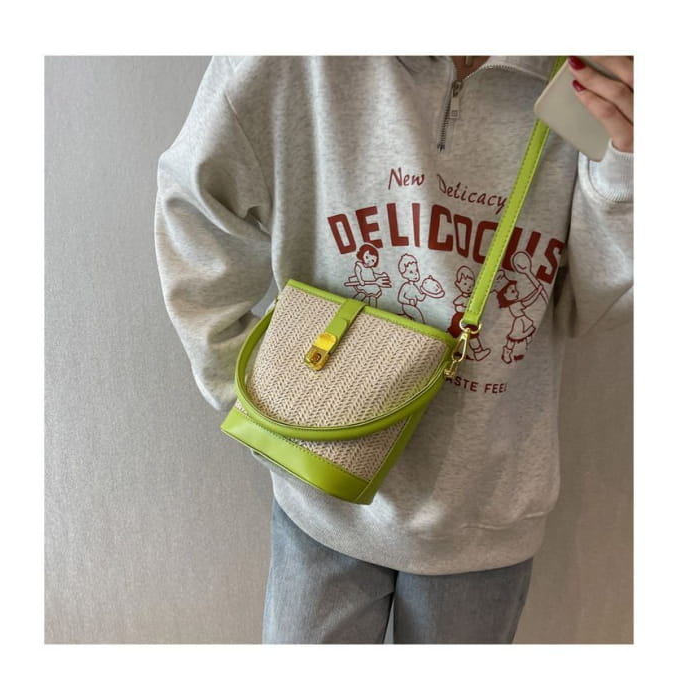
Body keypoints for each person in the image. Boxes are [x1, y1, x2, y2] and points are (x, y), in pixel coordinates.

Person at [154, 55, 633, 643]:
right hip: (318, 490)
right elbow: (195, 205)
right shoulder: (291, 58)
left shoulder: (588, 73)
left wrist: (631, 169)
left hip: (483, 510)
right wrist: (250, 394)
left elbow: (592, 304)